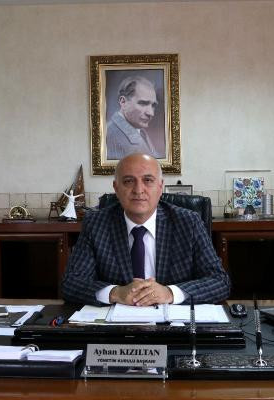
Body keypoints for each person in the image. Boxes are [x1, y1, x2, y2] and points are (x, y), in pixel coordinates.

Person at [61, 153, 230, 306]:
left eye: (148, 180)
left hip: (174, 323)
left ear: (160, 186)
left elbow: (220, 281)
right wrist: (116, 293)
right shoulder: (96, 224)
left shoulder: (188, 222)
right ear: (116, 188)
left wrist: (169, 293)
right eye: (128, 181)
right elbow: (71, 283)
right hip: (117, 324)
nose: (138, 190)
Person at [106, 76, 164, 160]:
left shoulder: (139, 131)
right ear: (123, 102)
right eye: (143, 103)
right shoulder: (110, 135)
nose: (151, 113)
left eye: (153, 105)